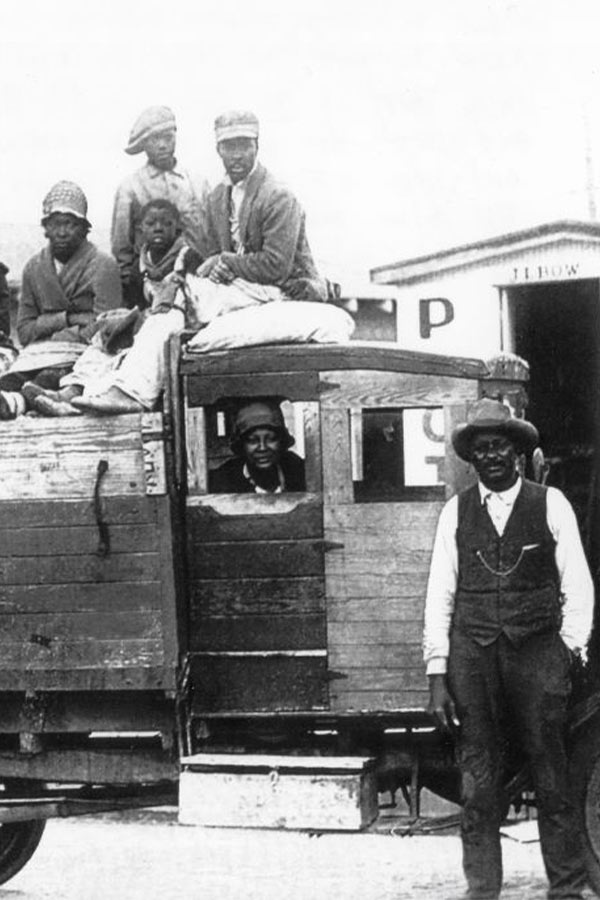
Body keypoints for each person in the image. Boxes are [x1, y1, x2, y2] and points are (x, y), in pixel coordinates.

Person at [423, 397, 594, 900]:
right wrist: (438, 675)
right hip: (472, 656)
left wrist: (568, 651)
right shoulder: (455, 512)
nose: (492, 457)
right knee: (477, 784)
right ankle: (482, 890)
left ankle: (565, 888)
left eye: (500, 447)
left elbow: (578, 587)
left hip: (538, 651)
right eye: (482, 449)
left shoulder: (551, 503)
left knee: (552, 776)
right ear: (471, 458)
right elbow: (440, 593)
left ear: (518, 452)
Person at [75, 110, 330, 416]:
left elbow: (276, 266)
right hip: (240, 290)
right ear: (218, 149)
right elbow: (203, 249)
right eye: (228, 146)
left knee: (180, 298)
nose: (236, 154)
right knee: (167, 306)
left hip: (284, 290)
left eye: (243, 145)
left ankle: (131, 391)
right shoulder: (218, 195)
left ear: (257, 145)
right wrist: (202, 266)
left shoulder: (278, 196)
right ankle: (100, 387)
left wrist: (225, 262)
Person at [0, 181, 122, 420]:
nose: (63, 232)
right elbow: (24, 331)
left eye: (71, 224)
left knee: (52, 377)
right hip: (37, 353)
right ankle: (16, 401)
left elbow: (108, 327)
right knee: (11, 379)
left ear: (84, 228)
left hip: (84, 353)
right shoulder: (34, 268)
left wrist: (49, 329)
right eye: (56, 223)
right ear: (46, 227)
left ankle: (26, 403)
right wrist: (68, 319)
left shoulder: (103, 265)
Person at [111, 105, 209, 302]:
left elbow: (211, 235)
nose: (163, 145)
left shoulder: (198, 183)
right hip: (150, 286)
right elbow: (122, 247)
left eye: (168, 137)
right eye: (155, 139)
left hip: (198, 283)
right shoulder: (130, 187)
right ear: (144, 143)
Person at [209, 400, 306, 493]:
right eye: (252, 441)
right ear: (242, 445)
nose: (262, 448)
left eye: (271, 439)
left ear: (281, 442)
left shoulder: (299, 472)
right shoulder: (222, 481)